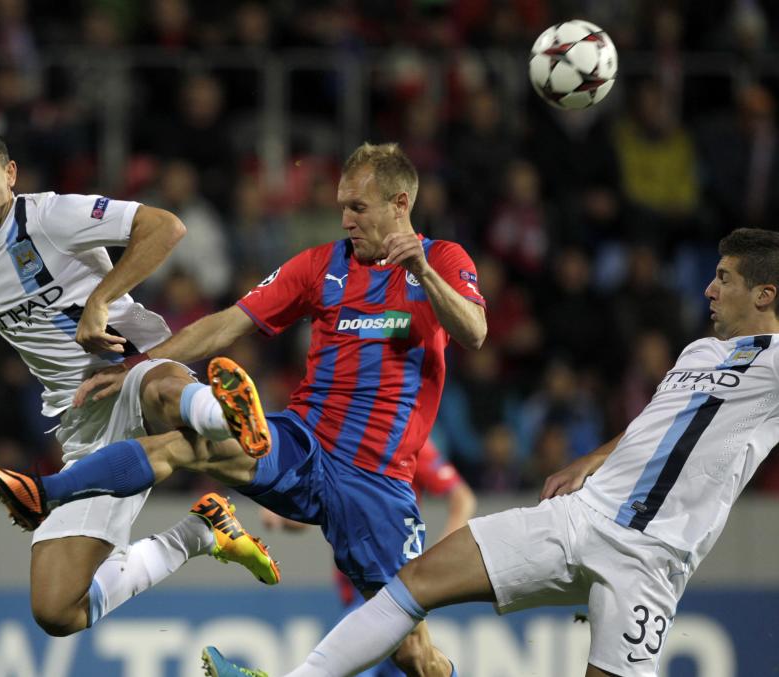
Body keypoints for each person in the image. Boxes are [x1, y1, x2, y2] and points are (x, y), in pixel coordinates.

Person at [0, 142, 488, 676]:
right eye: (343, 205)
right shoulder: (322, 266)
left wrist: (426, 273)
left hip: (377, 482)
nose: (344, 220)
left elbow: (474, 332)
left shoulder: (446, 260)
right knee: (189, 447)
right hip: (303, 444)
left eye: (358, 209)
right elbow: (229, 322)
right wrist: (138, 363)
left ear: (399, 204)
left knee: (415, 657)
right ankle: (46, 492)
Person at [203, 226, 779, 677]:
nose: (709, 289)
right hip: (580, 516)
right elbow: (654, 427)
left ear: (764, 294)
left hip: (652, 559)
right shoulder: (701, 352)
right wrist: (589, 461)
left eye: (724, 279)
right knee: (413, 584)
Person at [0, 121, 280, 638]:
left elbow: (166, 227)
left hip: (125, 370)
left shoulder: (52, 215)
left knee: (160, 389)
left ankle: (229, 414)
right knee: (55, 610)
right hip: (82, 426)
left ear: (9, 173)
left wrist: (101, 300)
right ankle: (201, 532)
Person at [260, 438, 477, 677]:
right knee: (412, 659)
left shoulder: (404, 437)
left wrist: (435, 564)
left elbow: (462, 499)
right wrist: (281, 513)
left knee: (353, 663)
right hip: (357, 582)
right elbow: (311, 514)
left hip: (386, 579)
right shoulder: (339, 434)